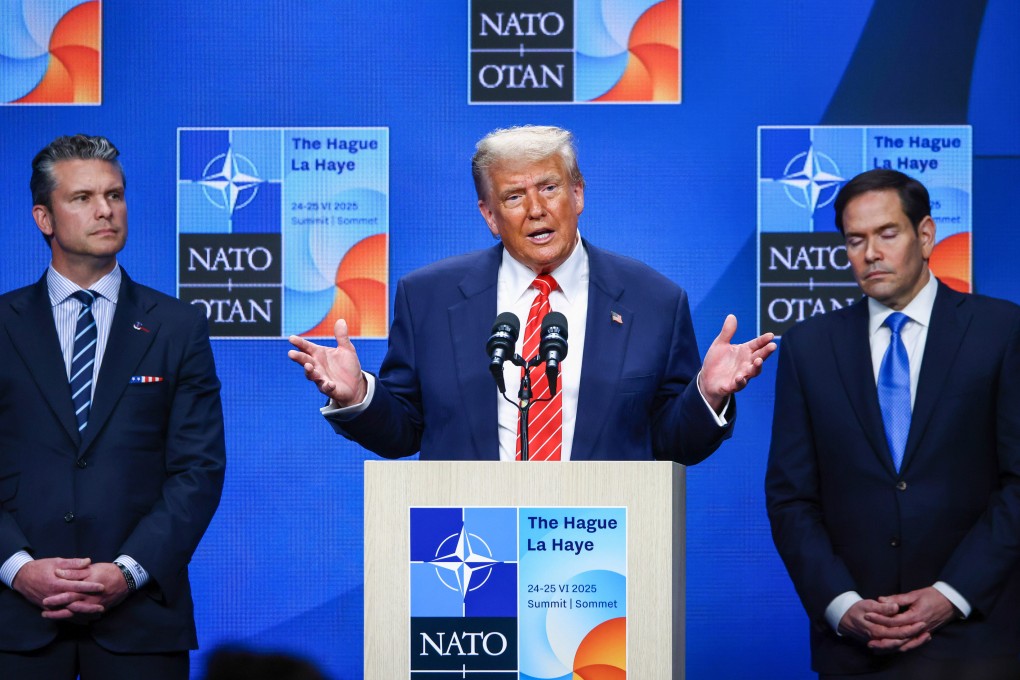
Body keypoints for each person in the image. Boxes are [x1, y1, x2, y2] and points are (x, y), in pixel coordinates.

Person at [289, 125, 775, 462]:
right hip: (472, 548)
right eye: (514, 196)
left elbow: (673, 443)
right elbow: (405, 430)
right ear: (489, 215)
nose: (536, 209)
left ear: (579, 193)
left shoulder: (654, 301)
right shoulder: (429, 298)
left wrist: (706, 395)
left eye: (549, 187)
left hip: (597, 556)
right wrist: (359, 396)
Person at [766, 169, 1020, 679]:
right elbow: (791, 497)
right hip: (857, 647)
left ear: (925, 235)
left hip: (976, 643)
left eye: (887, 234)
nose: (871, 253)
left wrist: (951, 595)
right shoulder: (808, 348)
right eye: (855, 240)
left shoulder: (1002, 331)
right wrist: (840, 604)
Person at [0, 134, 226, 678]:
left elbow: (198, 470)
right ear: (43, 218)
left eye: (115, 195)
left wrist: (128, 572)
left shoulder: (179, 327)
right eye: (83, 198)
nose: (105, 210)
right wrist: (17, 568)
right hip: (13, 621)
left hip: (141, 620)